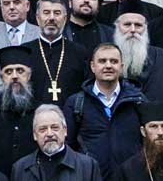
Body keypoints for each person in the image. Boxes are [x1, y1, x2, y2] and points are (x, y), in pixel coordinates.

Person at [64, 44, 149, 172]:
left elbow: (148, 143)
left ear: (121, 67)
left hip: (130, 180)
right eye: (102, 61)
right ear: (93, 66)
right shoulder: (76, 103)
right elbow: (67, 146)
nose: (108, 66)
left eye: (114, 61)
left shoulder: (138, 100)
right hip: (89, 180)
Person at [16, 0, 84, 106]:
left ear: (65, 19)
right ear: (38, 18)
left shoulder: (79, 52)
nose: (51, 18)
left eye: (57, 13)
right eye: (46, 12)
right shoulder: (24, 51)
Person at [112, 8, 163, 104]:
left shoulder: (162, 57)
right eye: (127, 25)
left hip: (156, 116)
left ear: (145, 28)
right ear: (117, 26)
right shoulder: (107, 57)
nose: (133, 30)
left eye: (138, 25)